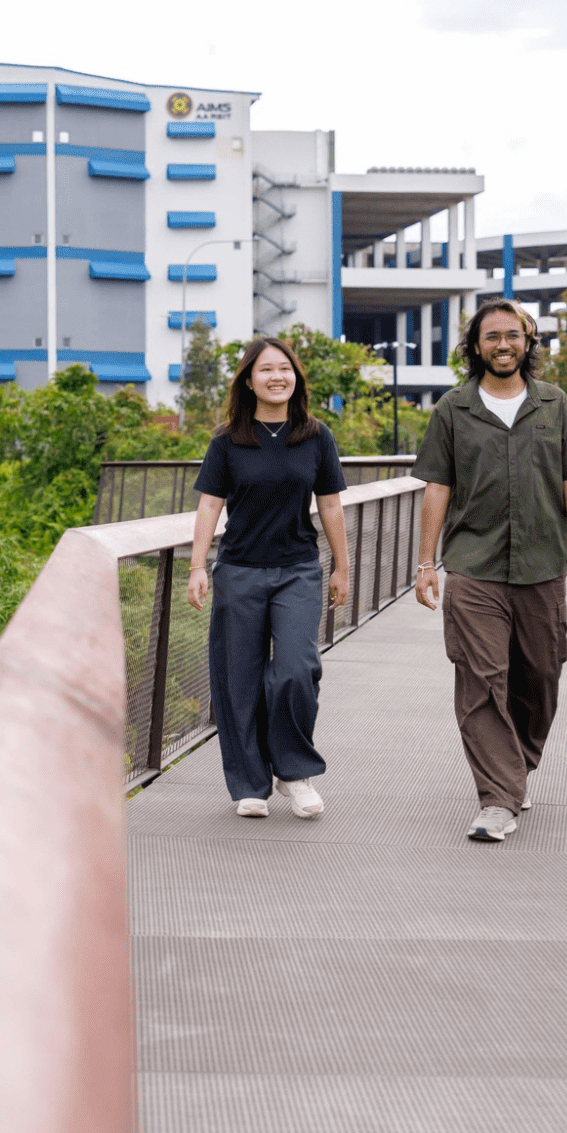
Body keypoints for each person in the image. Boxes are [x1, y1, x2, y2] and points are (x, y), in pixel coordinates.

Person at [411, 299, 567, 842]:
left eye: (512, 336)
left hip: (542, 563)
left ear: (527, 343)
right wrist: (427, 562)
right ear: (475, 346)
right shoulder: (453, 409)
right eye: (491, 337)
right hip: (473, 564)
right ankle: (497, 798)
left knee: (541, 674)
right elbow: (437, 487)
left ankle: (515, 763)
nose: (502, 345)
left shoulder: (555, 404)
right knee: (480, 675)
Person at [186, 336, 351, 819]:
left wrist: (342, 566)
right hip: (238, 570)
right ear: (248, 380)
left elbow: (332, 504)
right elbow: (209, 505)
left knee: (297, 669)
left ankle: (294, 772)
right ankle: (249, 783)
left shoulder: (315, 435)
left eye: (285, 369)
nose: (277, 377)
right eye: (265, 370)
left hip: (298, 568)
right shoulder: (228, 439)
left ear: (295, 377)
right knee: (239, 678)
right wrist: (198, 566)